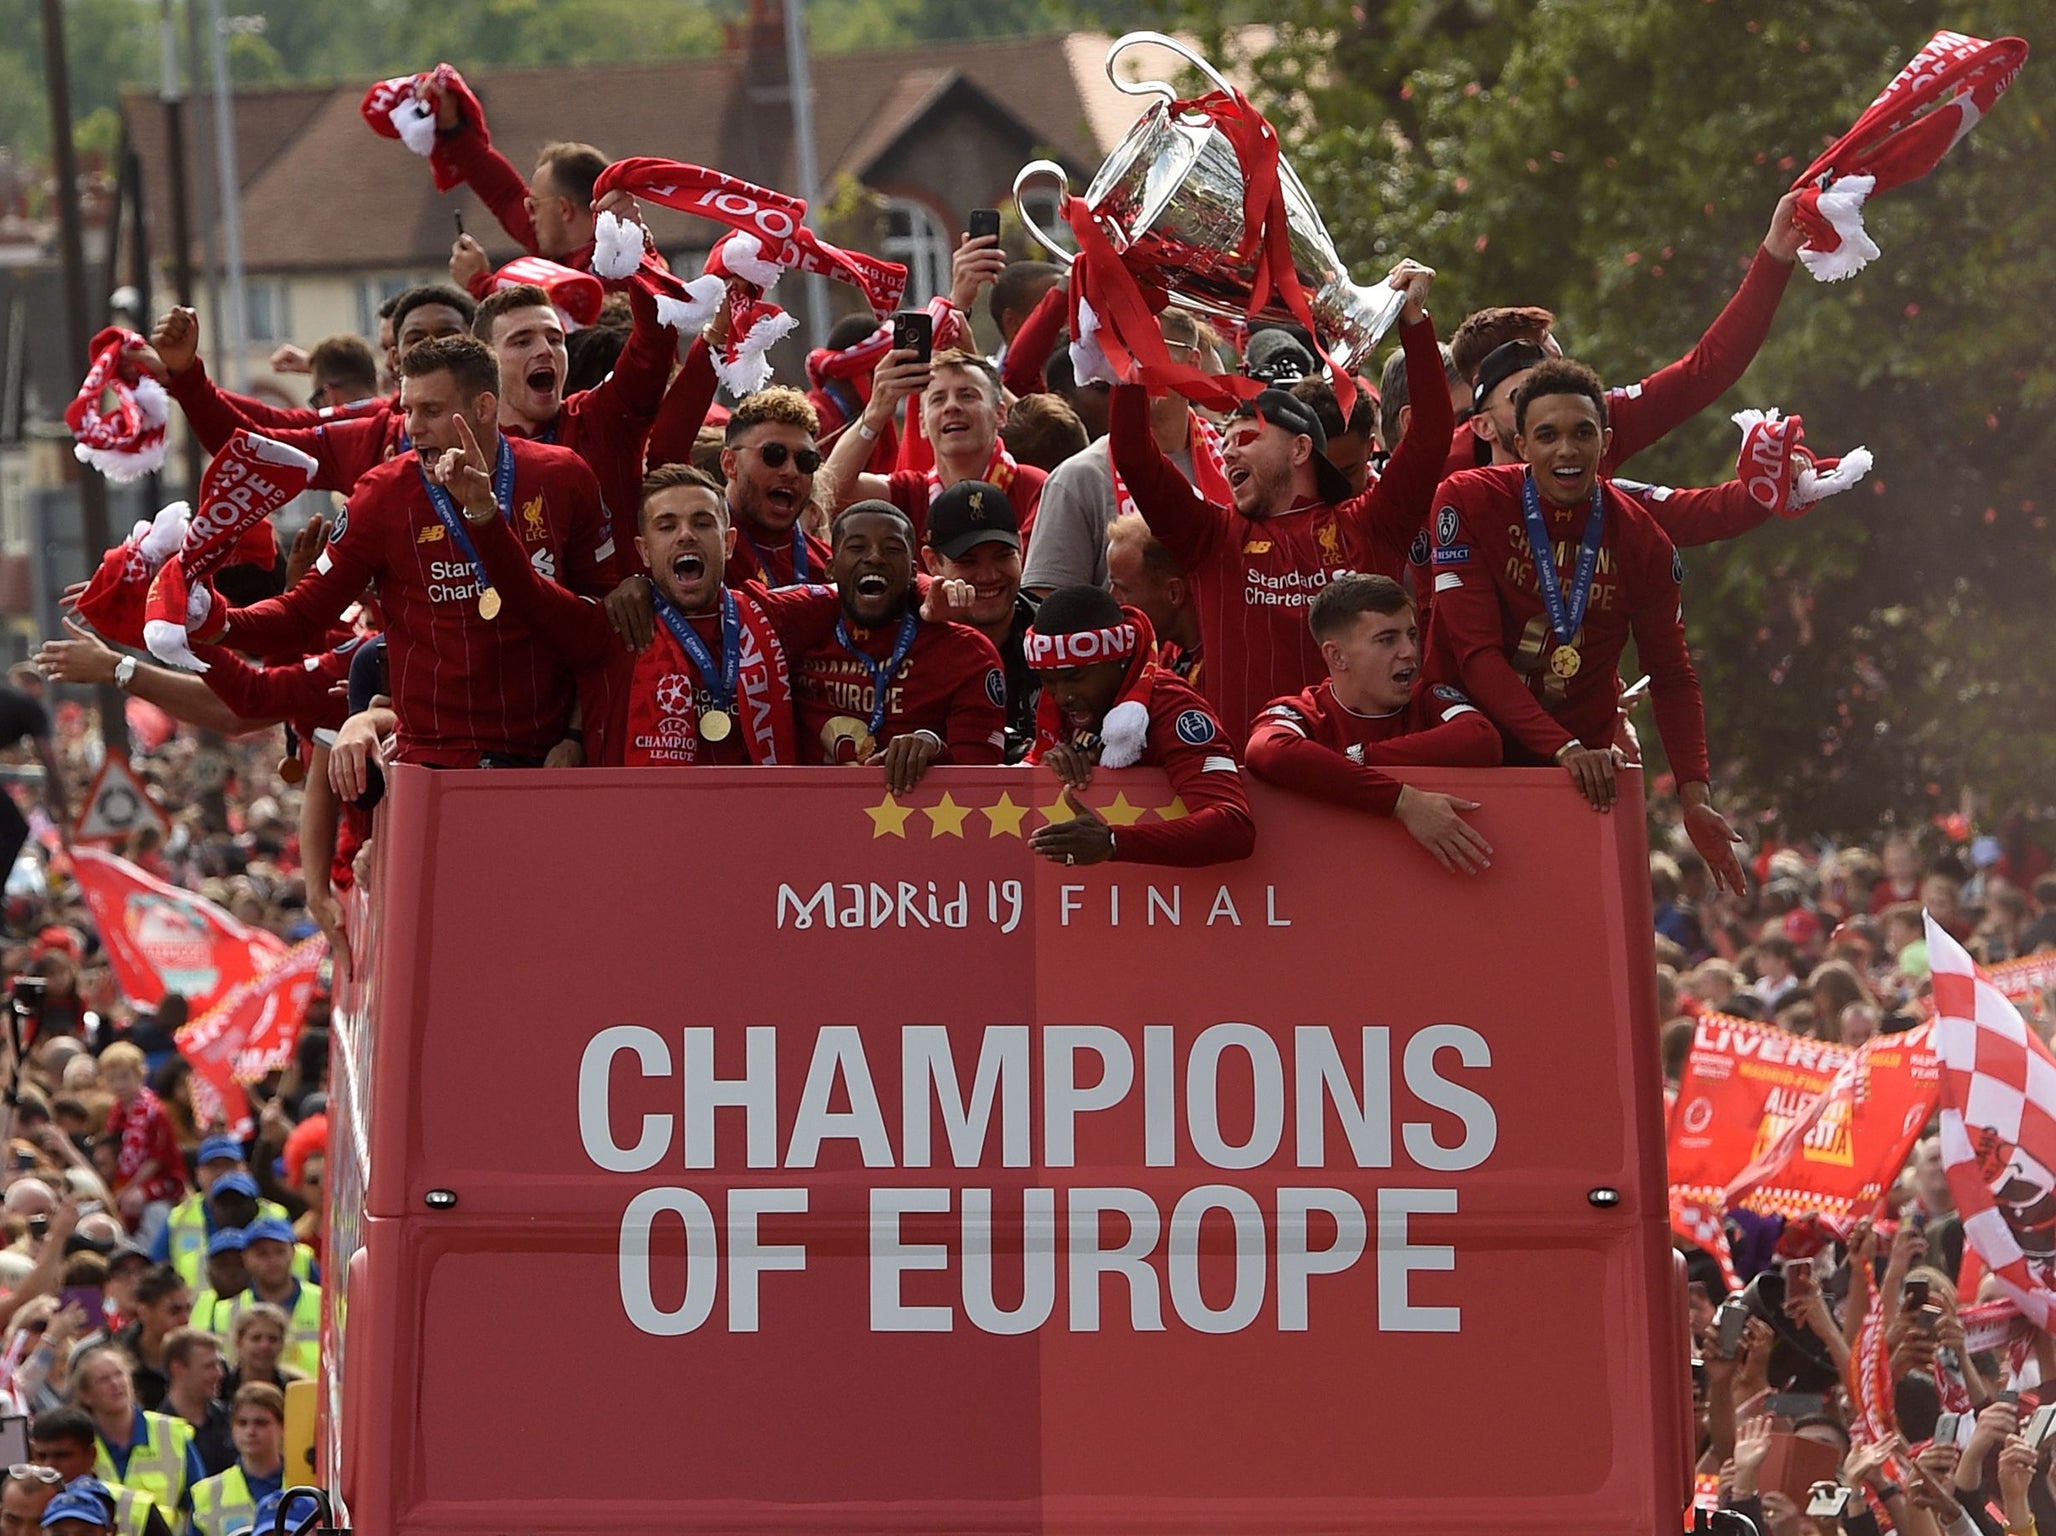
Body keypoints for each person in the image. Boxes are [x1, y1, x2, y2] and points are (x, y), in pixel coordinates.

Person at [192, 336, 619, 768]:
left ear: (484, 408)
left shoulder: (561, 476)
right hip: (432, 761)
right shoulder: (382, 495)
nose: (413, 428)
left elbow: (598, 632)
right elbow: (302, 615)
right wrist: (216, 622)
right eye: (408, 410)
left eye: (431, 411)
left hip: (548, 757)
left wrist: (575, 734)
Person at [1427, 359, 1747, 893]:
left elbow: (1671, 676)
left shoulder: (1643, 540)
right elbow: (1476, 656)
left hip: (1580, 775)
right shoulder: (1467, 499)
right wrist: (1565, 748)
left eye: (1582, 433)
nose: (1567, 451)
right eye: (1547, 435)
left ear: (1606, 441)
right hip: (1471, 747)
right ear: (1521, 444)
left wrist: (1695, 797)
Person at [1108, 260, 1449, 735]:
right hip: (1248, 788)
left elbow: (1431, 436)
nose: (1227, 449)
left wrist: (1414, 322)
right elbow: (1133, 455)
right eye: (1225, 439)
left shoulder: (1371, 524)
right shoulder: (1209, 538)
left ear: (1299, 448)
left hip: (1363, 781)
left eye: (1245, 435)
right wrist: (1132, 348)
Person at [1246, 573, 1501, 874]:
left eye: (1412, 635)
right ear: (1337, 655)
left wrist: (1360, 758)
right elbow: (1268, 750)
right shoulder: (1304, 712)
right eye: (1387, 639)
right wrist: (1402, 802)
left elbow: (1482, 739)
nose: (1409, 652)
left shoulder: (1428, 699)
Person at [143, 287, 477, 496]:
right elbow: (258, 443)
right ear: (394, 360)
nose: (434, 348)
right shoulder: (371, 434)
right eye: (416, 339)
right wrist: (185, 376)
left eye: (449, 334)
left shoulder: (520, 426)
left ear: (480, 347)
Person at [1021, 586, 1253, 869]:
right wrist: (1054, 766)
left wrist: (1113, 843)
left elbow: (1232, 827)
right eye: (1049, 681)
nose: (1062, 696)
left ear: (1121, 659)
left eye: (1076, 677)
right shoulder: (1065, 708)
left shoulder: (1172, 707)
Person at [793, 503, 1006, 787]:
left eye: (892, 549)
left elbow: (982, 779)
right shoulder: (796, 638)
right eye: (857, 548)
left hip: (925, 824)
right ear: (830, 568)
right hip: (809, 819)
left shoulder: (967, 653)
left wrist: (933, 746)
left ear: (913, 572)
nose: (875, 558)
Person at [1020, 309, 1228, 595]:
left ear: (1192, 363)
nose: (1136, 368)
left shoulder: (1233, 462)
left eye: (1152, 350)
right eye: (1126, 354)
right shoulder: (1079, 478)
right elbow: (1047, 607)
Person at [470, 279, 675, 565]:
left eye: (555, 339)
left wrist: (635, 265)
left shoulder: (599, 419)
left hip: (612, 607)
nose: (545, 350)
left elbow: (654, 346)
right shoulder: (466, 450)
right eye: (522, 341)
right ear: (486, 362)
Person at [825, 350, 1048, 540]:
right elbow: (829, 494)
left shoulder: (1038, 489)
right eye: (938, 399)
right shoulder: (912, 495)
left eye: (967, 396)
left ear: (1000, 415)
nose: (951, 407)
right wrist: (874, 415)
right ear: (922, 424)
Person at [918, 480, 1038, 762]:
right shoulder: (907, 641)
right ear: (932, 562)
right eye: (968, 561)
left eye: (1003, 556)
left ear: (1020, 547)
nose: (988, 576)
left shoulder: (1052, 634)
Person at [69, 1347, 201, 1520]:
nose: (115, 1384)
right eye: (103, 1380)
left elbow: (198, 1504)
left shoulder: (171, 1432)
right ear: (85, 1395)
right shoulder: (77, 1442)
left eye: (119, 1374)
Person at [719, 388, 832, 590]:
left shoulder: (829, 569)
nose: (791, 471)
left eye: (806, 460)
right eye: (773, 455)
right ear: (730, 464)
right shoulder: (701, 561)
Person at [201, 1220, 318, 1380]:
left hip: (309, 1400)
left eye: (279, 1251)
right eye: (262, 1253)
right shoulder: (224, 1311)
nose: (272, 1260)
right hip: (245, 1400)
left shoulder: (324, 1303)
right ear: (246, 1258)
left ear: (293, 1253)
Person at [26, 1411, 173, 1536]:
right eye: (42, 1456)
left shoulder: (135, 1507)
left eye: (63, 1455)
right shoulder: (21, 1505)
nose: (50, 1466)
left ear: (91, 1455)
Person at [96, 1050, 182, 1256]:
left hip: (161, 1178)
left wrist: (128, 1187)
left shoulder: (154, 1112)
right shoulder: (117, 1111)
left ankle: (146, 1254)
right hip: (126, 1178)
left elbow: (155, 1160)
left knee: (132, 1201)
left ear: (140, 1075)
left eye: (125, 1077)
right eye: (112, 1079)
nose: (119, 1084)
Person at [1105, 514, 1202, 686]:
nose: (1112, 599)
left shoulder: (1227, 665)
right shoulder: (1162, 653)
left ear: (1174, 593)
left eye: (1123, 589)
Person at [186, 1383, 285, 1536]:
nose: (250, 1431)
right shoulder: (207, 1493)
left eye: (261, 1423)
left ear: (282, 1427)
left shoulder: (304, 1484)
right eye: (242, 1423)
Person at [0, 675, 70, 871]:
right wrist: (64, 815)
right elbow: (50, 762)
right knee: (15, 828)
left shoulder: (10, 700)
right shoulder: (30, 707)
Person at [109, 1267, 189, 1413]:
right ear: (144, 1312)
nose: (185, 1319)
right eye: (174, 1311)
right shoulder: (117, 1361)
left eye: (187, 1309)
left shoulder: (199, 1357)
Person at [157, 1329, 232, 1476]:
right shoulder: (157, 1431)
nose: (219, 1373)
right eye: (209, 1366)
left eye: (219, 1364)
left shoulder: (231, 1420)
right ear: (177, 1369)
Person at [218, 1308, 302, 1400]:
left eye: (273, 1339)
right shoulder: (219, 1387)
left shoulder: (296, 1390)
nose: (265, 1346)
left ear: (282, 1344)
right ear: (238, 1342)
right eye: (256, 1338)